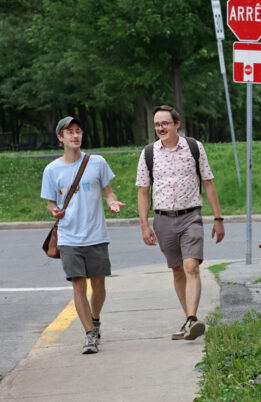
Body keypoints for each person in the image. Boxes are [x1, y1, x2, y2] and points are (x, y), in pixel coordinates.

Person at [136, 105, 225, 341]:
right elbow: (143, 192)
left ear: (176, 124)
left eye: (164, 123)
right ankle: (189, 318)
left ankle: (193, 318)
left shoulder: (194, 148)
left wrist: (218, 218)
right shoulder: (148, 153)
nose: (160, 128)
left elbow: (208, 183)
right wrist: (144, 224)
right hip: (163, 219)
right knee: (177, 270)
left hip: (191, 216)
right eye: (157, 124)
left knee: (191, 267)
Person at [41, 116, 126, 354]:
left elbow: (108, 192)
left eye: (78, 131)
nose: (75, 135)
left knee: (98, 286)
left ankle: (95, 318)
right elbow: (50, 203)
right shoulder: (52, 170)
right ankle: (89, 334)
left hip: (96, 235)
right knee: (78, 285)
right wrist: (54, 211)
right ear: (61, 138)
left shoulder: (97, 162)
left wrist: (112, 203)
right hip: (68, 238)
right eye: (70, 132)